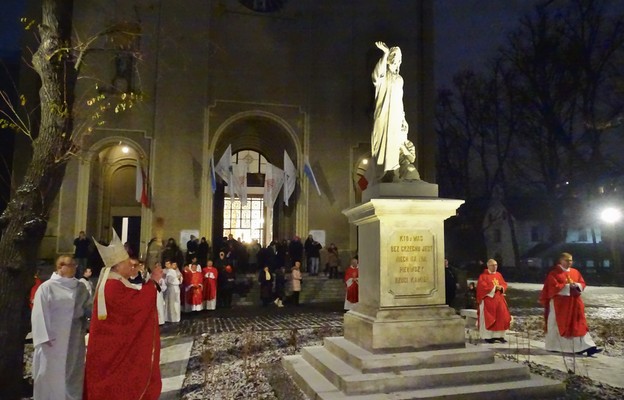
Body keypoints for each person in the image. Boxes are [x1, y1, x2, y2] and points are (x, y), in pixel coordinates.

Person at [85, 230, 163, 399]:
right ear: (118, 265)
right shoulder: (113, 286)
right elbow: (136, 305)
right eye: (128, 263)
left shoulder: (112, 282)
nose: (131, 266)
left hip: (110, 347)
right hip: (114, 350)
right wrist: (154, 281)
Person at [31, 255, 90, 400]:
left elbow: (87, 309)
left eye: (75, 265)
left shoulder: (81, 287)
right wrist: (43, 337)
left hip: (74, 338)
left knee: (73, 374)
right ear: (60, 267)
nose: (74, 268)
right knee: (50, 375)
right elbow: (39, 313)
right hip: (52, 341)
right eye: (71, 265)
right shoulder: (47, 287)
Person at [539, 252, 602, 356]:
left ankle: (589, 346)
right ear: (561, 261)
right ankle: (554, 345)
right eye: (567, 260)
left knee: (579, 323)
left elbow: (582, 283)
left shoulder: (575, 272)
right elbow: (552, 288)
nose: (569, 263)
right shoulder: (554, 273)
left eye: (571, 260)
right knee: (557, 324)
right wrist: (568, 287)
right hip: (559, 304)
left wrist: (576, 285)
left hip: (574, 302)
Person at [371, 41, 406, 178]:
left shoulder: (399, 80)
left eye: (399, 59)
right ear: (389, 59)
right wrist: (384, 54)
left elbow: (400, 100)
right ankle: (380, 174)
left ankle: (392, 172)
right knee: (380, 144)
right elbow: (376, 76)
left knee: (393, 143)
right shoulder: (384, 76)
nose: (397, 62)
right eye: (395, 58)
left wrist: (403, 118)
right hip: (383, 116)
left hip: (395, 117)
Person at [476, 259, 511, 343]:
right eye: (493, 265)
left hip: (499, 299)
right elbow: (482, 288)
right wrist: (495, 288)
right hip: (488, 300)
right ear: (488, 266)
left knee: (502, 317)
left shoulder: (499, 274)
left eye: (496, 265)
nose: (495, 267)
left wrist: (501, 287)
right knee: (490, 318)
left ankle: (500, 336)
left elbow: (504, 284)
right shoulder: (483, 276)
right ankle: (488, 336)